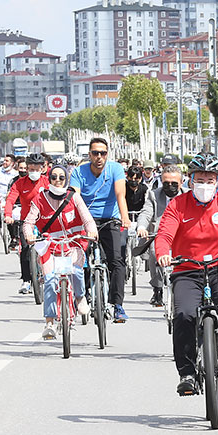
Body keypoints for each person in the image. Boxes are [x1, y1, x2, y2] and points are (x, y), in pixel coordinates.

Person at [155, 153, 218, 395]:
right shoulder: (178, 205)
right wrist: (163, 252)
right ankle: (187, 373)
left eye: (210, 180)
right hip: (187, 269)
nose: (204, 185)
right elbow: (165, 234)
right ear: (190, 180)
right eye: (200, 179)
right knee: (183, 315)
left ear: (216, 181)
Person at [22, 165, 97, 339]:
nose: (57, 180)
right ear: (49, 178)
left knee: (77, 271)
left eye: (61, 177)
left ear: (66, 179)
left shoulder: (74, 197)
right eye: (54, 177)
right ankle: (49, 323)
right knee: (49, 280)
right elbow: (28, 223)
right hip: (51, 245)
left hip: (74, 243)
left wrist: (92, 231)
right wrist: (29, 235)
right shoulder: (40, 199)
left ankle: (80, 297)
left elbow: (87, 219)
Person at [69, 138, 133, 322]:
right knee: (79, 260)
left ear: (107, 154)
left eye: (103, 153)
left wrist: (125, 218)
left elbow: (121, 195)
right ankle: (82, 295)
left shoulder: (115, 169)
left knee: (116, 261)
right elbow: (75, 197)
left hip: (110, 219)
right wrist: (81, 222)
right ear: (89, 154)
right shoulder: (79, 172)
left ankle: (117, 305)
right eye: (95, 153)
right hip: (85, 219)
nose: (99, 157)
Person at [138, 165, 185, 307]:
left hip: (183, 235)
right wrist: (141, 227)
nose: (170, 186)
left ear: (181, 183)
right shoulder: (154, 195)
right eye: (166, 183)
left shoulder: (189, 195)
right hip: (160, 234)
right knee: (154, 252)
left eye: (174, 184)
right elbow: (146, 213)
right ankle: (157, 289)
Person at [5, 153, 49, 295]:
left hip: (45, 221)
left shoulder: (47, 182)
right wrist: (8, 215)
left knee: (50, 248)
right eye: (31, 169)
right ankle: (26, 280)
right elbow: (11, 200)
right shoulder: (20, 183)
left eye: (37, 169)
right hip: (27, 222)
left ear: (42, 168)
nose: (34, 172)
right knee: (25, 250)